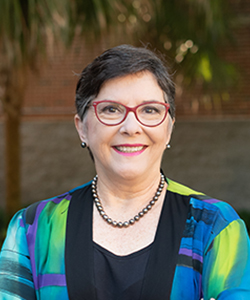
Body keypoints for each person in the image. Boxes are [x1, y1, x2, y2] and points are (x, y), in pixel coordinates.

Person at [0, 45, 249, 300]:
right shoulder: (34, 228)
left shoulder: (213, 226)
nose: (131, 127)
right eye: (111, 109)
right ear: (82, 128)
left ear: (169, 129)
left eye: (150, 110)